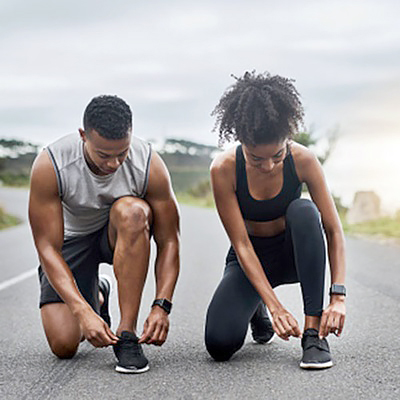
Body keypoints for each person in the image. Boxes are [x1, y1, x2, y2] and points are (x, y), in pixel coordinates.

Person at [29, 95, 180, 374]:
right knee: (64, 346)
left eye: (121, 153)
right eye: (103, 155)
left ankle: (127, 334)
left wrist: (162, 305)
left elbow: (169, 240)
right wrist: (82, 311)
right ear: (83, 135)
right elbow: (47, 247)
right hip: (72, 240)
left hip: (118, 233)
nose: (113, 164)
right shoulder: (51, 163)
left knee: (134, 211)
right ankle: (97, 295)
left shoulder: (148, 162)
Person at [205, 71, 346, 369]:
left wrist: (338, 296)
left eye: (277, 155)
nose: (268, 166)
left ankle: (313, 334)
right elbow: (241, 244)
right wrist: (275, 306)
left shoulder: (304, 160)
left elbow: (333, 230)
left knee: (304, 211)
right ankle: (257, 306)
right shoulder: (224, 169)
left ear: (288, 138)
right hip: (252, 256)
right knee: (219, 344)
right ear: (241, 141)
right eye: (257, 159)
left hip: (295, 254)